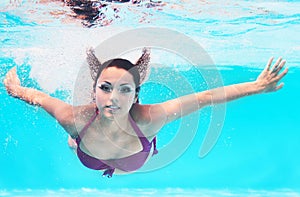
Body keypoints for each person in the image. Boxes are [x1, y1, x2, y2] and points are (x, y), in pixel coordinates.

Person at [3, 48, 288, 177]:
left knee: (131, 147)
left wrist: (257, 86)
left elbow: (206, 98)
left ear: (136, 95)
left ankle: (128, 153)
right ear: (93, 91)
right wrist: (14, 88)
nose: (113, 98)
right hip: (89, 152)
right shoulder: (73, 119)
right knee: (72, 138)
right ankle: (83, 145)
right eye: (105, 87)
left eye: (124, 90)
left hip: (134, 154)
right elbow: (38, 97)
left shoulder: (151, 118)